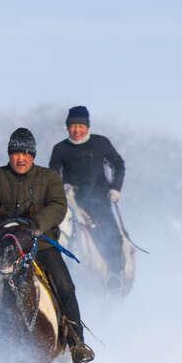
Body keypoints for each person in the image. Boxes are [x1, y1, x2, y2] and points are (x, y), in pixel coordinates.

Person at [0, 128, 95, 363]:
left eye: (26, 154)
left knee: (65, 285)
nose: (21, 158)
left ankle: (76, 342)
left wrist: (36, 226)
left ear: (33, 155)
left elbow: (58, 206)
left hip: (41, 246)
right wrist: (7, 223)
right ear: (9, 155)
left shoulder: (49, 178)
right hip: (7, 247)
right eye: (16, 153)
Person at [49, 106, 126, 282]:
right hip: (71, 203)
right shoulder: (60, 149)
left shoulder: (100, 143)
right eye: (73, 126)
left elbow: (118, 164)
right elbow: (53, 174)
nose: (77, 130)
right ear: (67, 127)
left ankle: (115, 274)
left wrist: (115, 188)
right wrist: (60, 189)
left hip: (99, 200)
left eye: (80, 126)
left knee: (111, 235)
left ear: (87, 127)